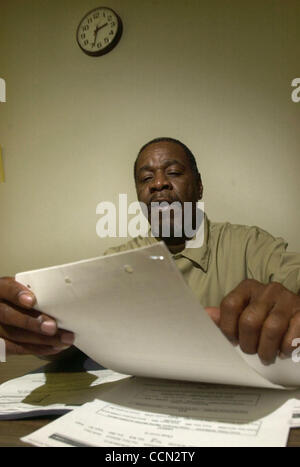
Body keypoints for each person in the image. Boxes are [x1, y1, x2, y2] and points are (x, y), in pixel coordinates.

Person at [1, 137, 300, 366]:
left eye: (173, 172)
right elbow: (77, 335)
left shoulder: (251, 245)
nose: (159, 184)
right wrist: (40, 333)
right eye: (146, 179)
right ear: (139, 197)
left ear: (199, 187)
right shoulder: (117, 263)